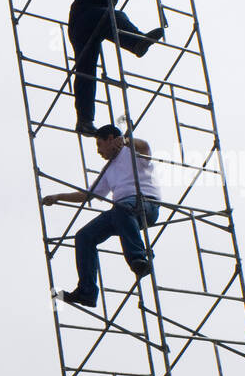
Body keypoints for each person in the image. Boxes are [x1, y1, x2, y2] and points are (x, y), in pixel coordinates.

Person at [69, 0, 174, 136]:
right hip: (84, 18)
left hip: (99, 22)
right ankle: (136, 42)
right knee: (110, 21)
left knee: (88, 70)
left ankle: (85, 120)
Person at [43, 126, 159, 309]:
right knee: (84, 236)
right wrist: (58, 197)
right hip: (123, 211)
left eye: (99, 144)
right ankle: (86, 292)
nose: (98, 151)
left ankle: (139, 259)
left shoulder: (132, 152)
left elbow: (145, 146)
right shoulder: (109, 170)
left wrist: (126, 141)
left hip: (145, 205)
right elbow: (88, 195)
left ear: (111, 139)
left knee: (121, 209)